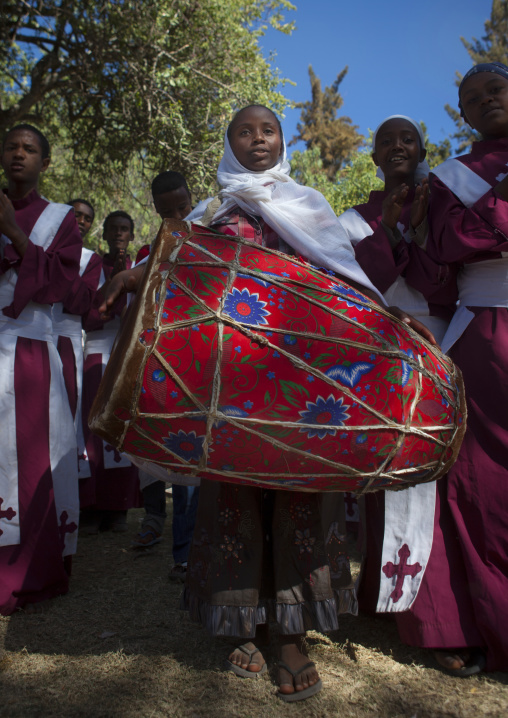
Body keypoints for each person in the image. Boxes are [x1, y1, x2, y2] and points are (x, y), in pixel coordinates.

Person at [101, 104, 435, 700]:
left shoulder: (308, 205)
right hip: (228, 385)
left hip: (299, 387)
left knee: (300, 498)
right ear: (228, 145)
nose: (257, 140)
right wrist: (134, 277)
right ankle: (243, 617)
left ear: (283, 140)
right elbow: (177, 284)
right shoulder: (208, 214)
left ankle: (291, 631)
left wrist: (393, 320)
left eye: (268, 131)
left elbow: (344, 283)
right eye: (244, 133)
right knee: (233, 497)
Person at [397, 62, 508, 676]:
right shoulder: (453, 177)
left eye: (496, 89)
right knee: (484, 488)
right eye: (473, 98)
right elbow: (452, 243)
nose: (487, 101)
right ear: (461, 114)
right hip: (488, 330)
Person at [336, 116, 458, 619]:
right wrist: (386, 228)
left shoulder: (446, 203)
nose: (396, 146)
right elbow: (353, 286)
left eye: (407, 138)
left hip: (440, 340)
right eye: (385, 140)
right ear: (374, 157)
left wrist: (425, 225)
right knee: (387, 471)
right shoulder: (352, 218)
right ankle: (381, 597)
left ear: (422, 148)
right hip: (381, 350)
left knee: (442, 476)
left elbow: (446, 284)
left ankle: (436, 609)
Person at [0, 124, 82, 614]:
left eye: (30, 150)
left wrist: (12, 232)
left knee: (30, 465)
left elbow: (61, 287)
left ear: (45, 163)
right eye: (10, 147)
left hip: (30, 349)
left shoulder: (60, 219)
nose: (18, 155)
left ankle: (27, 572)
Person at [131, 171, 200, 584]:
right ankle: (185, 555)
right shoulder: (154, 252)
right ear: (157, 212)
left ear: (194, 199)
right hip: (176, 364)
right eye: (167, 212)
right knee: (186, 463)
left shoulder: (213, 234)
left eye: (183, 207)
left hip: (219, 361)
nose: (178, 216)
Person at [80, 211, 142, 534]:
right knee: (93, 430)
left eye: (125, 229)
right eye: (113, 229)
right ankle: (90, 506)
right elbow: (87, 315)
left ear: (131, 235)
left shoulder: (140, 269)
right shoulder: (91, 266)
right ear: (103, 234)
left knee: (121, 428)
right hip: (96, 352)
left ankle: (118, 507)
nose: (119, 234)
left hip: (127, 355)